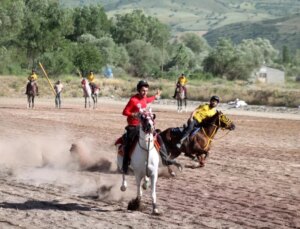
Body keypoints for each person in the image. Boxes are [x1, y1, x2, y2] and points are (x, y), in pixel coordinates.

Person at [122, 80, 179, 174]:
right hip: (133, 126)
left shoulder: (144, 98)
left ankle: (165, 159)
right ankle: (125, 165)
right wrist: (133, 114)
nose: (145, 93)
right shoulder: (133, 100)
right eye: (143, 91)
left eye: (146, 91)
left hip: (143, 125)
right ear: (138, 90)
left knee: (158, 137)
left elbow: (149, 99)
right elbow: (124, 112)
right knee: (129, 142)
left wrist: (156, 96)